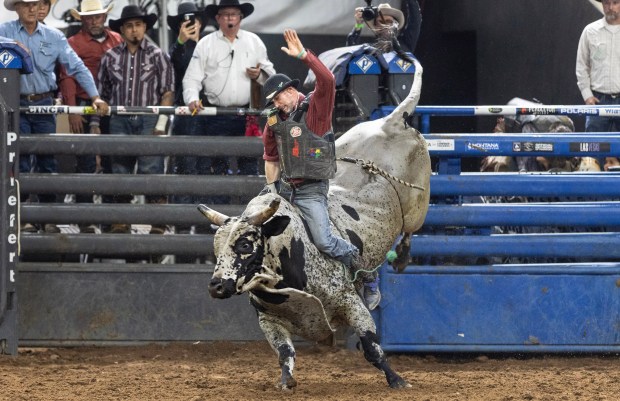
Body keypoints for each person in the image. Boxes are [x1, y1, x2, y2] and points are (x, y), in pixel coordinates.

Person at [261, 29, 380, 310]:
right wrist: (271, 192)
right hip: (286, 189)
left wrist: (304, 55)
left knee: (325, 242)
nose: (276, 104)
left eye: (278, 99)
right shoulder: (274, 121)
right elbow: (271, 158)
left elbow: (327, 79)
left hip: (312, 189)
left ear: (290, 92)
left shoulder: (315, 106)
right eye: (273, 102)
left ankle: (366, 274)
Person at [0, 0, 109, 234]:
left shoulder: (54, 36)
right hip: (14, 103)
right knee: (20, 159)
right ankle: (24, 217)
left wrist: (95, 96)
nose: (31, 9)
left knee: (46, 160)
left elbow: (77, 66)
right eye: (26, 4)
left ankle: (47, 217)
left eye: (35, 4)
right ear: (17, 8)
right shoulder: (4, 32)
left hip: (43, 103)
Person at [182, 0, 275, 204]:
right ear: (217, 18)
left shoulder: (254, 42)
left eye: (234, 14)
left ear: (241, 18)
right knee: (217, 167)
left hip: (247, 115)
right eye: (225, 15)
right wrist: (192, 99)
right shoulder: (206, 43)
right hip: (216, 114)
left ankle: (249, 213)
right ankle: (220, 216)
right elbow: (191, 78)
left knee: (249, 166)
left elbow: (272, 76)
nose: (230, 19)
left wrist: (259, 74)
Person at [97, 4, 174, 234]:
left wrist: (161, 123)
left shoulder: (158, 55)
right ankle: (121, 220)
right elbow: (103, 93)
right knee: (120, 170)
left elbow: (167, 91)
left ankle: (158, 223)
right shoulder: (110, 57)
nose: (134, 30)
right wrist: (99, 122)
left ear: (145, 27)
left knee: (151, 169)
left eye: (138, 25)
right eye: (129, 26)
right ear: (122, 30)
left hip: (149, 117)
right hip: (119, 116)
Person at [57, 0, 122, 234]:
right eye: (89, 17)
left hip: (111, 106)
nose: (94, 20)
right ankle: (86, 218)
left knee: (111, 161)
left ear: (104, 18)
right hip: (84, 106)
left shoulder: (117, 39)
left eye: (98, 16)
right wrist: (73, 110)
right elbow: (67, 76)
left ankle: (111, 219)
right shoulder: (73, 43)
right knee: (85, 161)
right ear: (82, 19)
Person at [167, 1, 208, 214]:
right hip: (184, 114)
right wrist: (181, 42)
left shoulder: (211, 45)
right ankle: (183, 220)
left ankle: (203, 221)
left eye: (194, 21)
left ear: (201, 23)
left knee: (204, 166)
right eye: (186, 22)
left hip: (207, 115)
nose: (191, 25)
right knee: (183, 165)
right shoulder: (175, 49)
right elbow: (169, 68)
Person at [576, 0, 620, 170]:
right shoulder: (590, 31)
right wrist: (587, 95)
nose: (611, 7)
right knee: (592, 152)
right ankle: (593, 195)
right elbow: (582, 65)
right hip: (598, 100)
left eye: (615, 3)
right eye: (607, 3)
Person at [346, 1, 421, 54]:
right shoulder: (369, 50)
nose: (386, 25)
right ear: (375, 26)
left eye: (389, 21)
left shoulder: (405, 43)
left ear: (395, 24)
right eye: (381, 22)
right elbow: (350, 51)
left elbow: (415, 20)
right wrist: (358, 24)